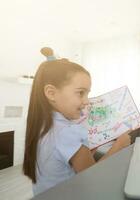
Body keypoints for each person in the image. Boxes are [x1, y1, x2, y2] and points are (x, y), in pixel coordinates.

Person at [23, 48, 131, 195]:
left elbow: (69, 161)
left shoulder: (42, 125)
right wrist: (120, 144)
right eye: (81, 93)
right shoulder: (69, 131)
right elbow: (92, 177)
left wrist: (90, 148)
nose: (87, 101)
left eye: (87, 94)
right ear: (51, 93)